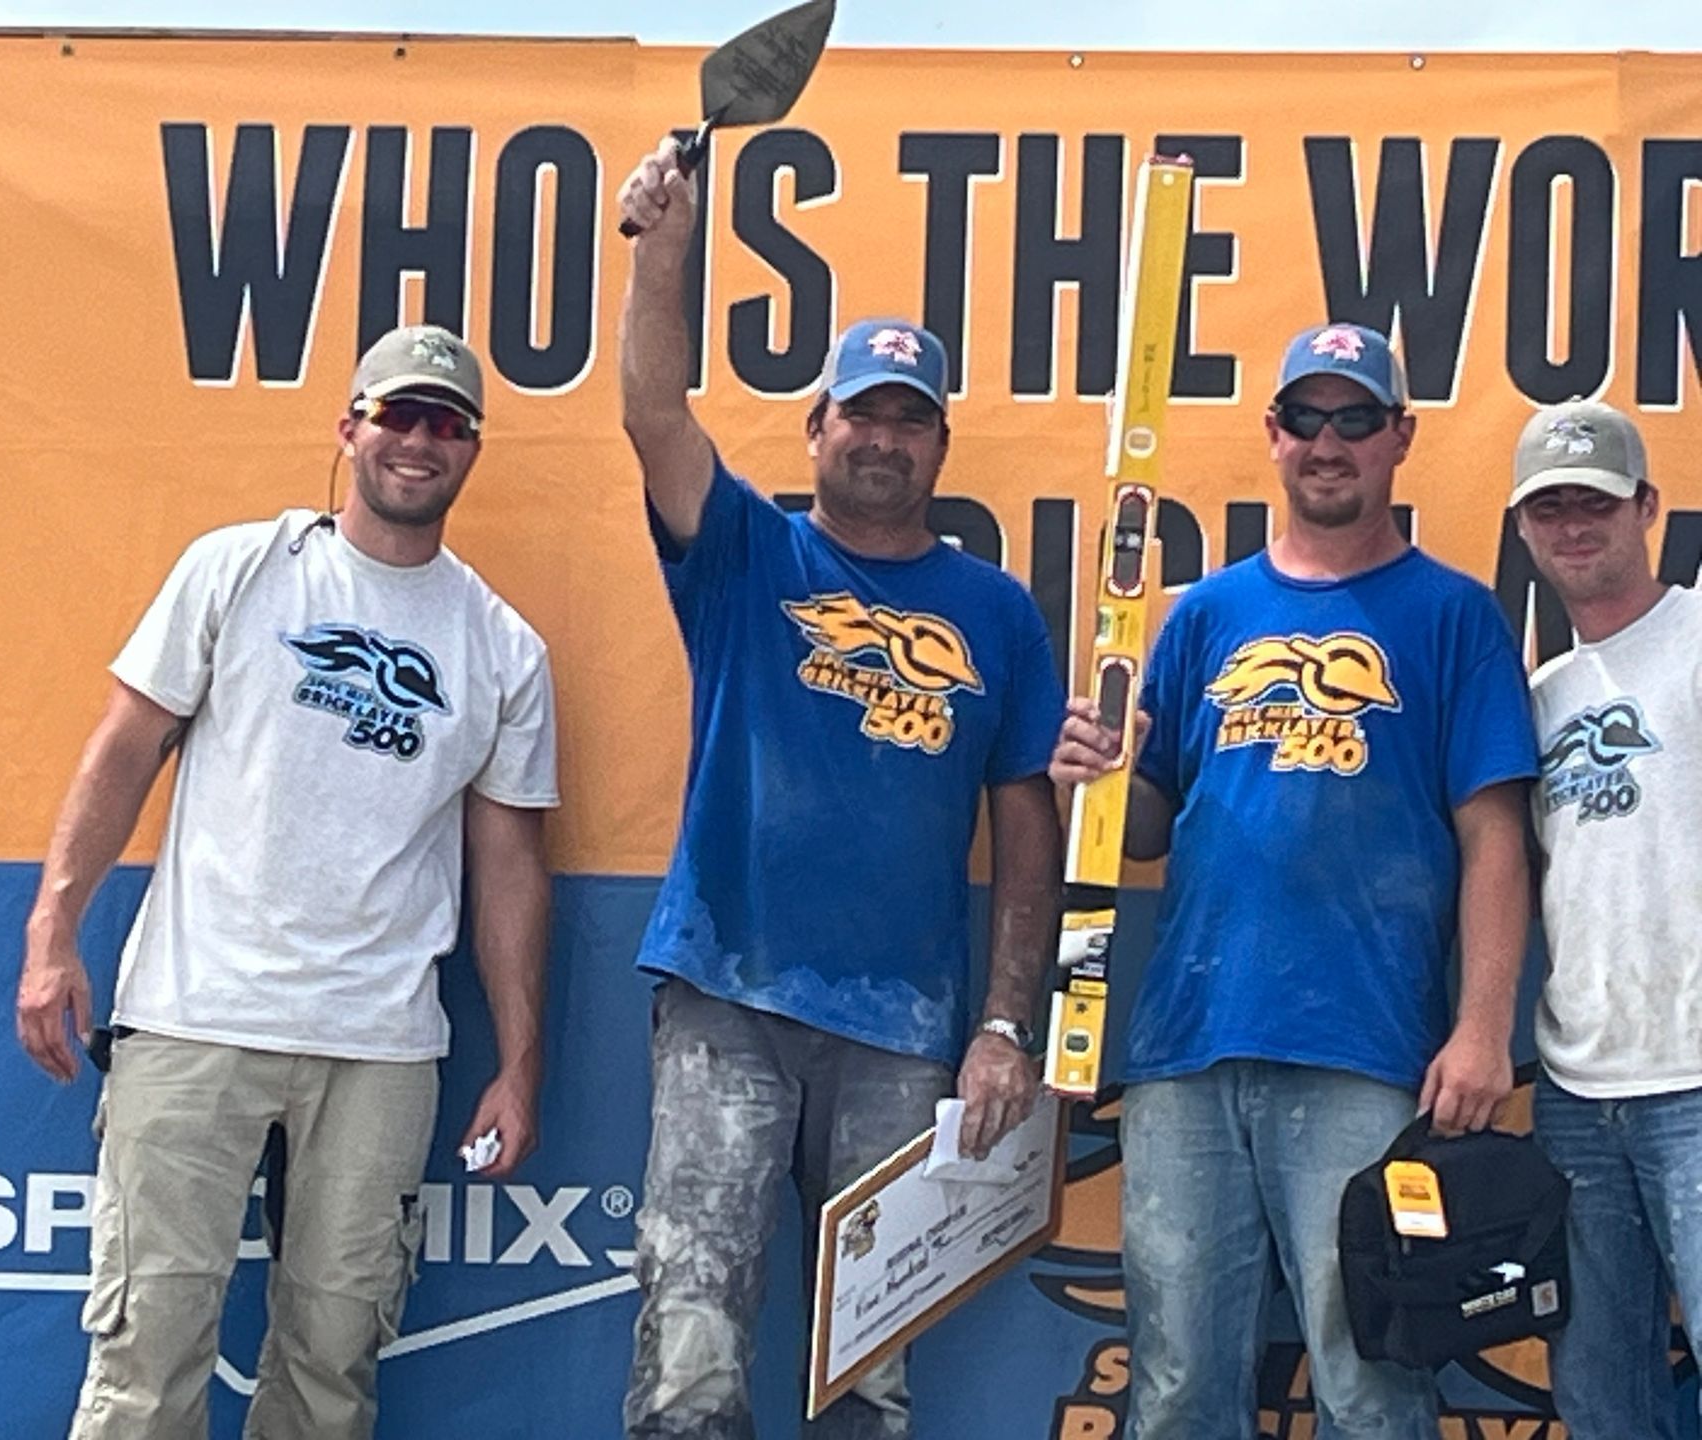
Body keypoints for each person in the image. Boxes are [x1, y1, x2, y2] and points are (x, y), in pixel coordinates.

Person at [13, 323, 559, 1440]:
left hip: (381, 1044)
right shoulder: (240, 567)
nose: (418, 441)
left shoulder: (503, 647)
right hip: (193, 1017)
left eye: (445, 423)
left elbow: (509, 866)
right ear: (349, 426)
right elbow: (123, 750)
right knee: (143, 1361)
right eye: (397, 415)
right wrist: (52, 930)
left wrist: (519, 1064)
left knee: (331, 1370)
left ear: (472, 450)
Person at [614, 140, 1065, 1439]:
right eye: (859, 412)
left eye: (907, 417)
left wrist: (1002, 1027)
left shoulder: (993, 612)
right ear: (817, 429)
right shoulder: (749, 551)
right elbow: (653, 416)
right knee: (693, 1344)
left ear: (938, 444)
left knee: (871, 1378)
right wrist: (665, 252)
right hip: (728, 1002)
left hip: (902, 1031)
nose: (881, 436)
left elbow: (1024, 835)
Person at [1050, 322, 1537, 1440]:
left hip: (1366, 1055)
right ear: (1272, 436)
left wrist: (1479, 1029)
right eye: (1307, 418)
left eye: (1356, 419)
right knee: (1174, 1389)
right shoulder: (1205, 614)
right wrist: (1098, 774)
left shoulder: (1454, 616)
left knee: (1369, 1384)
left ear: (1399, 439)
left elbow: (1495, 838)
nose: (1329, 442)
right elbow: (1147, 828)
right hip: (1186, 1052)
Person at [1509, 399, 1702, 1439]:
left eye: (1597, 502)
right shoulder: (1538, 697)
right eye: (1551, 508)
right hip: (1578, 1097)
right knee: (1600, 1398)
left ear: (1650, 510)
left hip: (1698, 1087)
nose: (1575, 525)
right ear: (1526, 530)